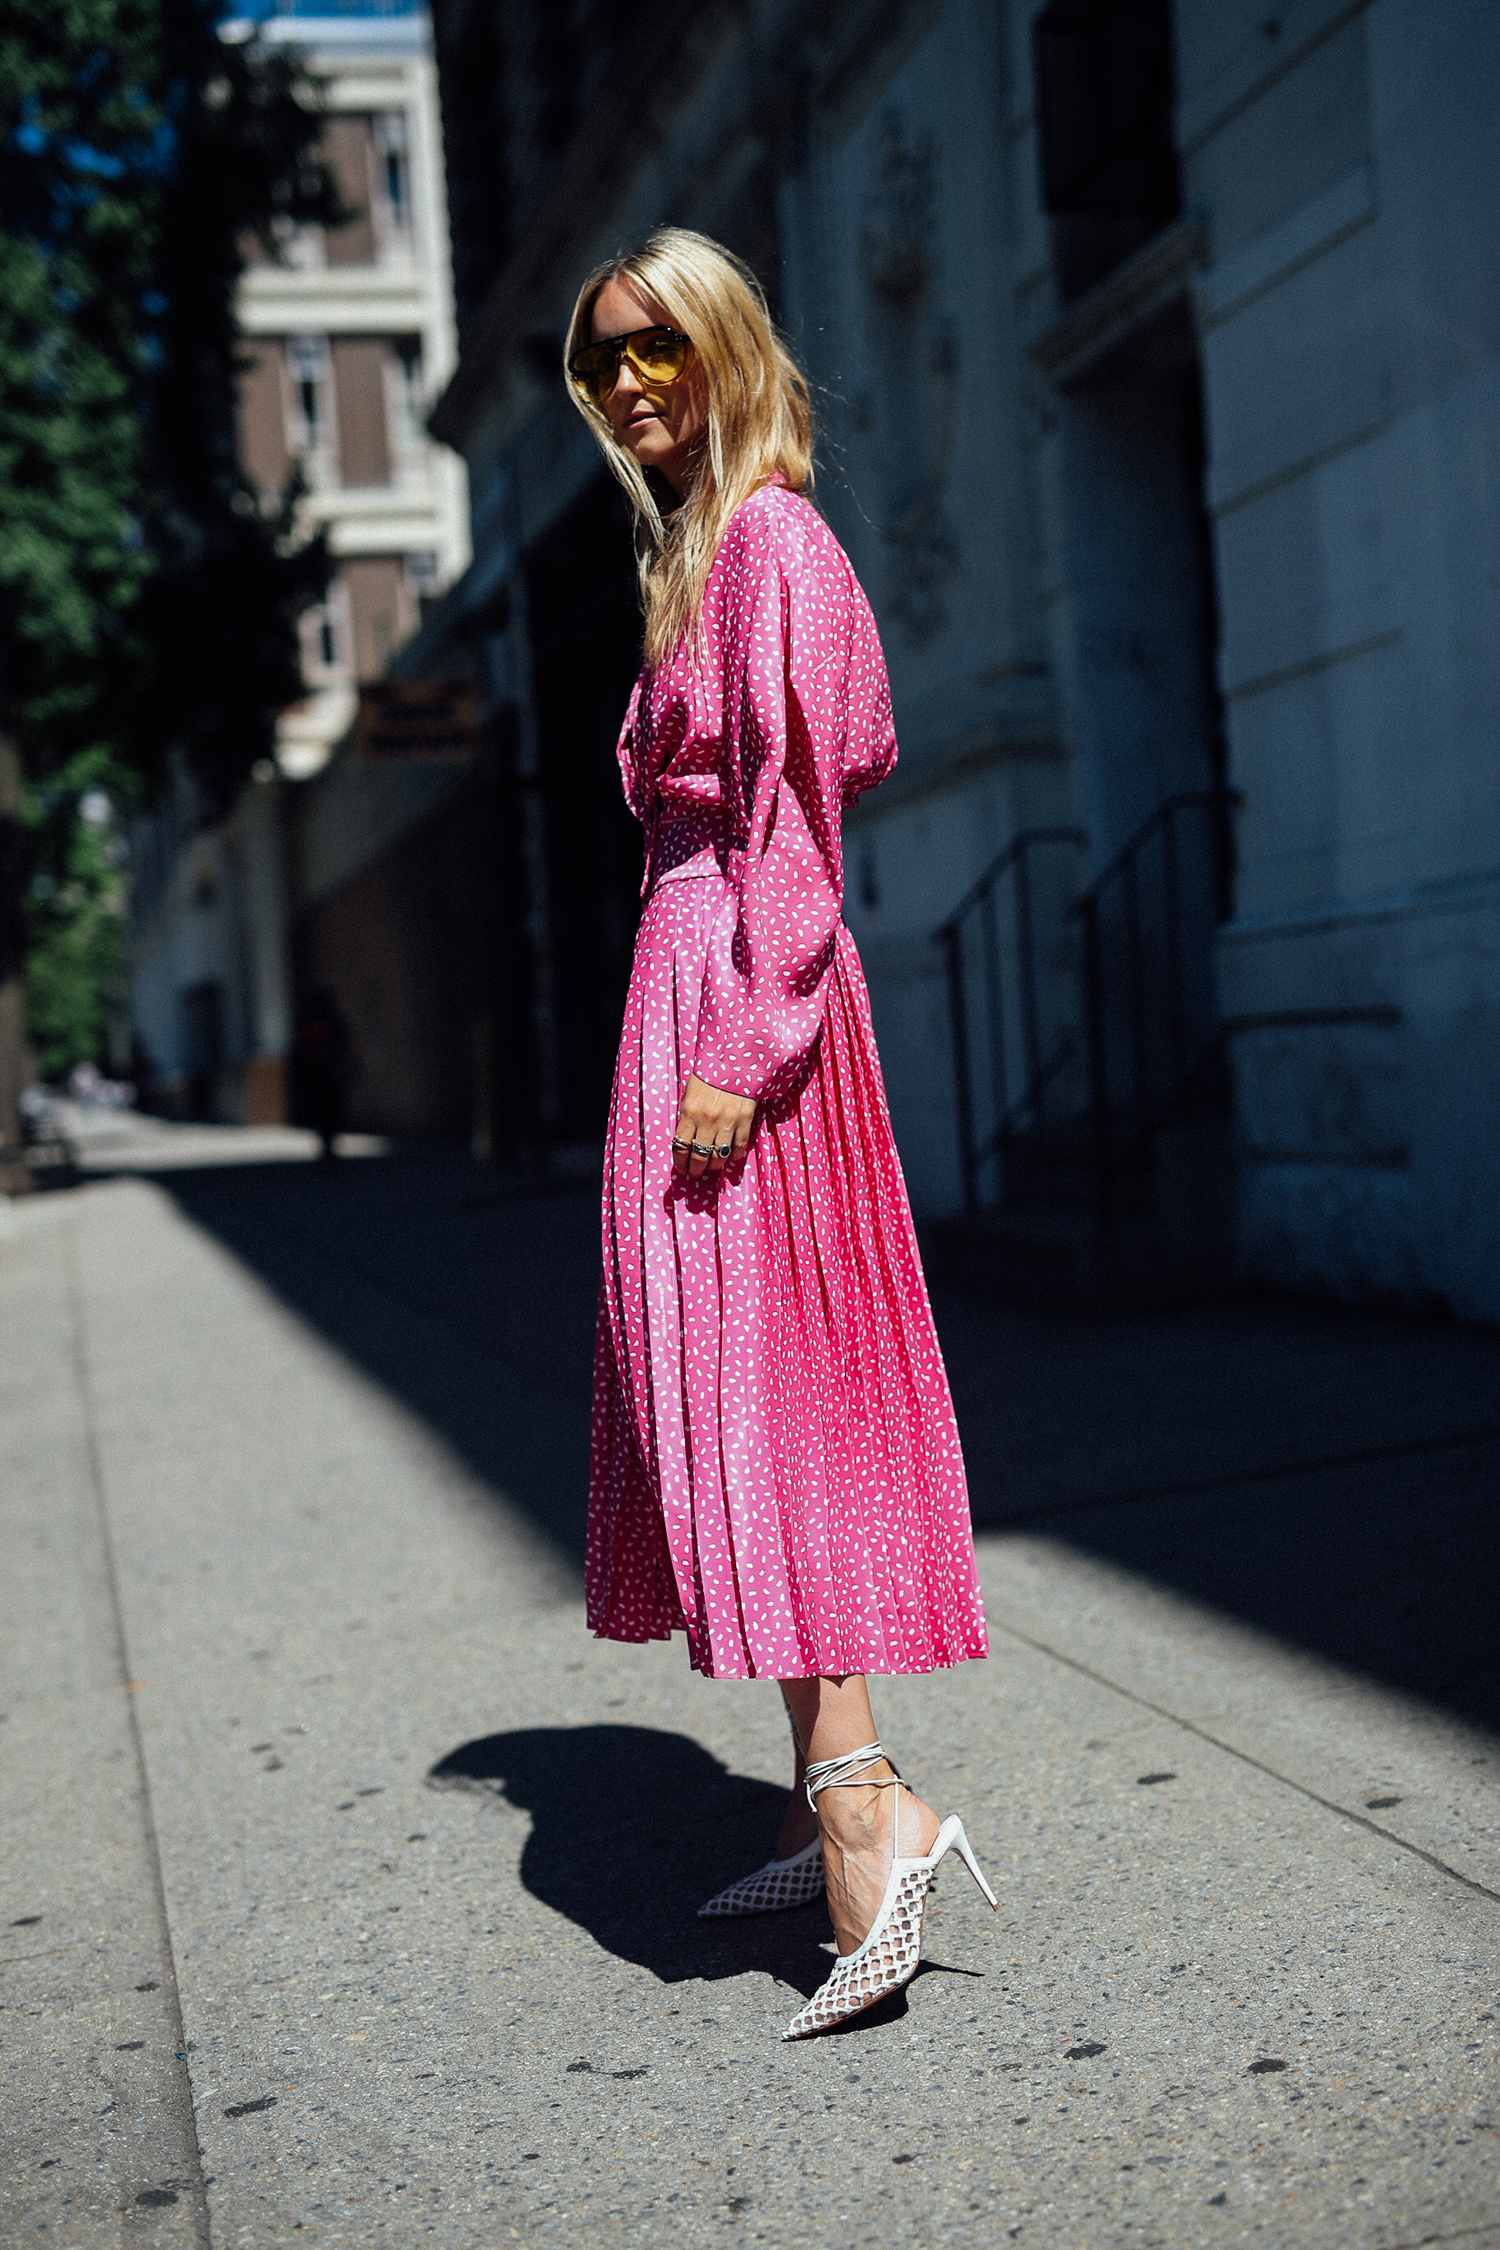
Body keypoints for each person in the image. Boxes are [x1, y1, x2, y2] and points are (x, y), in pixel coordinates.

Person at [565, 229, 993, 2042]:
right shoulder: (697, 556)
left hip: (744, 1005)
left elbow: (798, 826)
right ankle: (842, 1796)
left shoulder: (774, 545)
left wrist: (742, 1038)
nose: (632, 387)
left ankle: (864, 1815)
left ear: (728, 343)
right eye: (602, 366)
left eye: (658, 348)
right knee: (711, 1409)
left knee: (774, 1411)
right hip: (692, 989)